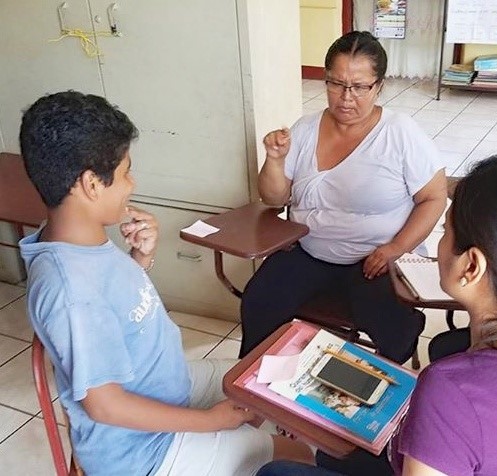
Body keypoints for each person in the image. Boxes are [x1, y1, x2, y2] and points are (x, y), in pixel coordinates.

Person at [257, 155, 497, 476]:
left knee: (275, 471)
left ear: (471, 266)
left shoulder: (452, 390)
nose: (440, 243)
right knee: (335, 449)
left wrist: (439, 420)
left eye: (445, 231)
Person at [18, 91, 313, 476]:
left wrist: (139, 260)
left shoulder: (72, 236)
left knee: (264, 380)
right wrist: (211, 421)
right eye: (125, 172)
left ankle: (239, 443)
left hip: (170, 382)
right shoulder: (69, 289)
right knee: (298, 458)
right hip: (142, 453)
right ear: (91, 184)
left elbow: (109, 315)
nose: (131, 183)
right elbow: (104, 405)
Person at [239, 31, 446, 364]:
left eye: (360, 87)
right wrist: (275, 160)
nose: (346, 98)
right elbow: (274, 198)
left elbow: (434, 198)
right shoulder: (305, 128)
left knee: (390, 322)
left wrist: (396, 248)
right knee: (260, 299)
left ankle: (384, 393)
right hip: (308, 250)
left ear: (379, 86)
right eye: (336, 84)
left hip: (373, 259)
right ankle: (252, 389)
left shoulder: (399, 132)